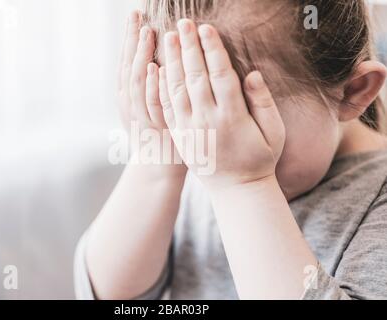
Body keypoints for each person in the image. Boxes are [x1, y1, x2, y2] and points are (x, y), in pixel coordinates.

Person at [75, 0, 387, 300]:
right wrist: (157, 162)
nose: (215, 150)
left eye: (244, 119)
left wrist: (244, 185)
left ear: (353, 92)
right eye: (188, 109)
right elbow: (109, 293)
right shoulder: (195, 154)